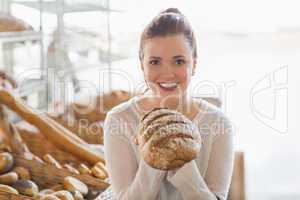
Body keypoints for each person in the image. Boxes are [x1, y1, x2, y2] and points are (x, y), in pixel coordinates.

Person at [102, 8, 234, 200]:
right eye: (155, 62)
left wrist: (183, 167)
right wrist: (155, 150)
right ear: (142, 65)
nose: (167, 73)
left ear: (194, 64)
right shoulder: (119, 120)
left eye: (179, 61)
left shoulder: (218, 123)